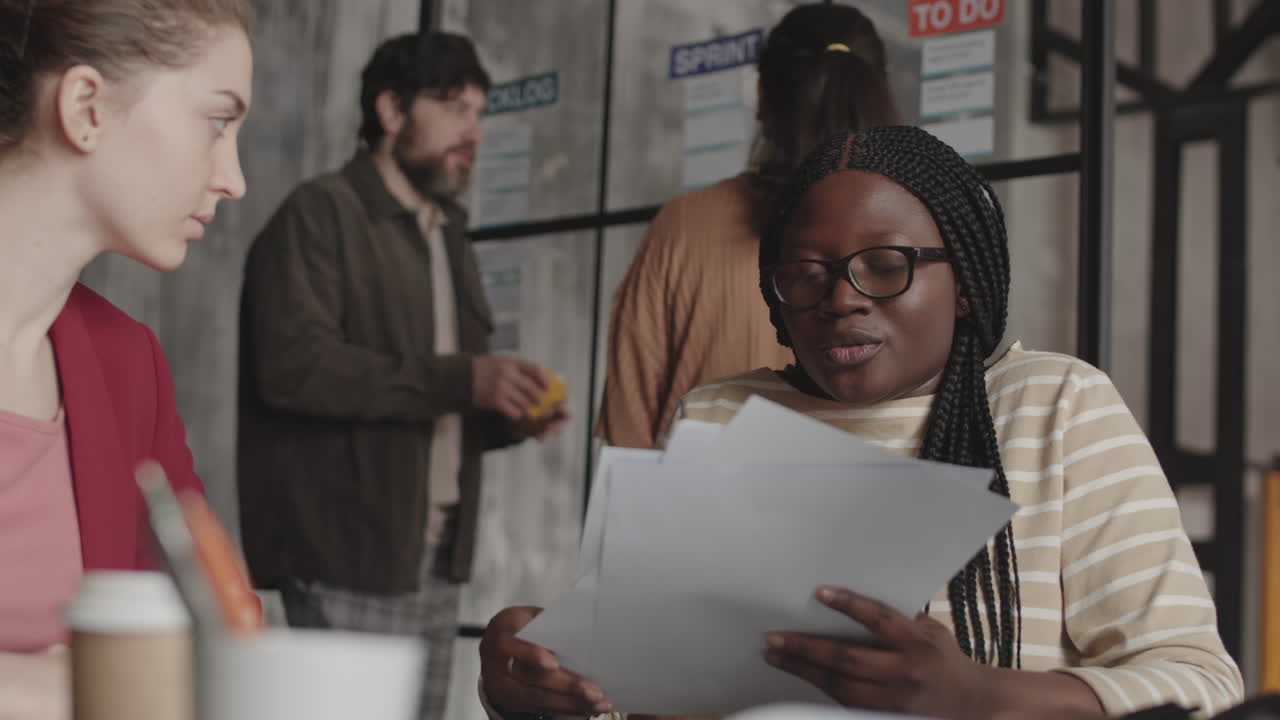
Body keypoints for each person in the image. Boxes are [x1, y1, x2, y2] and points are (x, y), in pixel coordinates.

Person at [476, 127, 1245, 720]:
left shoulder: (1056, 407)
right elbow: (654, 694)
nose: (840, 299)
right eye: (805, 275)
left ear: (967, 286)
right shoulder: (721, 414)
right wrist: (542, 685)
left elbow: (1201, 683)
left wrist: (981, 698)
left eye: (885, 265)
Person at [237, 31, 567, 720]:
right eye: (452, 107)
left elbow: (437, 398)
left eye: (479, 113)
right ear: (390, 110)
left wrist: (505, 415)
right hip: (345, 555)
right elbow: (294, 369)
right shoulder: (318, 213)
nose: (472, 131)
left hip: (435, 558)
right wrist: (464, 381)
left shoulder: (447, 230)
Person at [0, 0, 252, 717]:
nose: (233, 178)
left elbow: (220, 650)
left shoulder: (127, 364)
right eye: (217, 121)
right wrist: (76, 687)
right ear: (86, 106)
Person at [597, 3, 900, 449]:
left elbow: (628, 431)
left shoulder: (683, 227)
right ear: (877, 93)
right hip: (874, 511)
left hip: (698, 510)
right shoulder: (921, 238)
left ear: (761, 97)